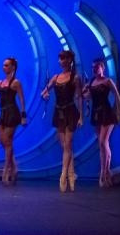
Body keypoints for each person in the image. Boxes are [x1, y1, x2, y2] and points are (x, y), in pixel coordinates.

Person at [42, 50, 82, 192]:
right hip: (59, 112)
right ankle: (71, 174)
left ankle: (63, 174)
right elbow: (44, 91)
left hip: (70, 112)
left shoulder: (75, 77)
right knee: (65, 146)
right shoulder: (56, 77)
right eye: (59, 58)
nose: (60, 61)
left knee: (68, 144)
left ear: (69, 60)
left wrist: (81, 117)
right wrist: (45, 94)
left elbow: (79, 97)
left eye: (63, 58)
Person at [83, 58, 120, 187]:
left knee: (102, 141)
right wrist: (84, 91)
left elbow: (117, 97)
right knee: (102, 145)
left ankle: (103, 174)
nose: (94, 69)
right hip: (96, 114)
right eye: (93, 67)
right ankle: (106, 172)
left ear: (102, 67)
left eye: (96, 67)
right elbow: (87, 97)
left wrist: (119, 113)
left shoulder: (108, 81)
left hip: (107, 114)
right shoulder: (91, 82)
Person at [0, 57, 27, 185]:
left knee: (7, 141)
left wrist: (23, 116)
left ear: (13, 67)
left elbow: (21, 99)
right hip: (3, 113)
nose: (4, 67)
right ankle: (14, 167)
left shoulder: (16, 82)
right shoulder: (1, 82)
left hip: (12, 113)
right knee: (3, 141)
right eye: (3, 65)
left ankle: (6, 170)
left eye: (6, 65)